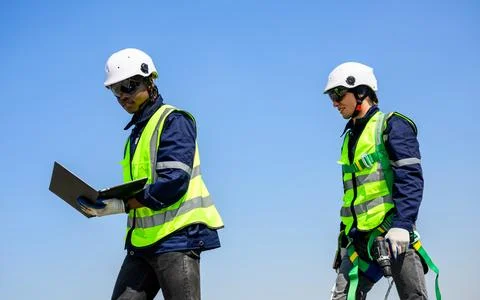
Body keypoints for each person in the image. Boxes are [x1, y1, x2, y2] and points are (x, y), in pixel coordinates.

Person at [77, 48, 224, 300]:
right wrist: (106, 200)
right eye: (115, 90)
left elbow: (174, 182)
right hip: (141, 245)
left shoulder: (173, 120)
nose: (122, 96)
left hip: (177, 240)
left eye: (129, 86)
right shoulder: (134, 137)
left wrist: (118, 205)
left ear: (150, 80)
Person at [324, 62, 440, 300]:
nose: (334, 103)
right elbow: (352, 197)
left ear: (362, 92)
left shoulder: (391, 125)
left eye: (338, 94)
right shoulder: (349, 139)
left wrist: (403, 224)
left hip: (392, 235)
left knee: (414, 297)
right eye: (331, 97)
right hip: (359, 242)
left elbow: (410, 178)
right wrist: (343, 243)